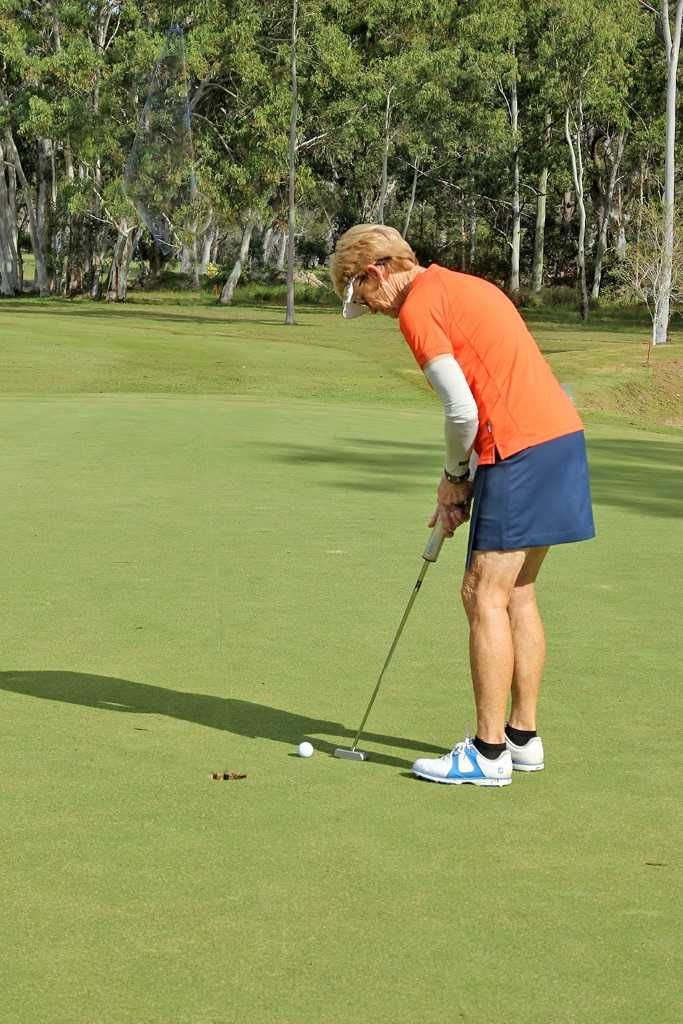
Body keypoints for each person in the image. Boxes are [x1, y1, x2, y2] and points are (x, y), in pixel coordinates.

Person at [330, 224, 595, 788]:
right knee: (517, 590)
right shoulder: (464, 286)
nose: (372, 312)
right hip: (556, 441)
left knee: (482, 592)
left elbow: (461, 410)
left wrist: (454, 478)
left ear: (376, 272)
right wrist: (468, 479)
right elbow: (490, 389)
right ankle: (522, 739)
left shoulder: (416, 307)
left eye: (363, 296)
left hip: (519, 449)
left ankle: (488, 753)